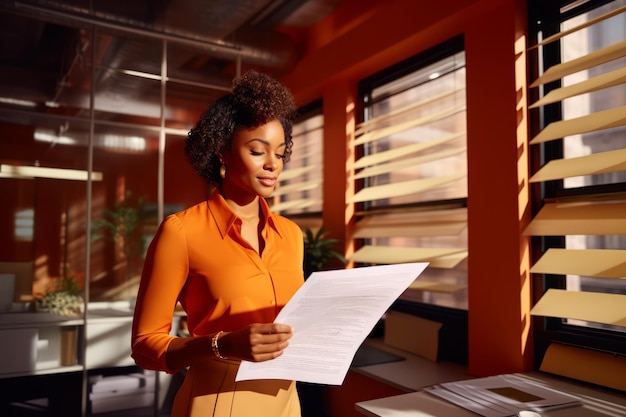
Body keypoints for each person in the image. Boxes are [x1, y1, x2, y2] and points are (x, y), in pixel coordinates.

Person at [131, 70, 304, 417]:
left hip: (287, 402)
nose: (273, 164)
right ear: (222, 151)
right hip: (219, 401)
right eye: (258, 151)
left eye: (281, 153)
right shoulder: (181, 232)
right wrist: (222, 344)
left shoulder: (291, 234)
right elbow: (145, 346)